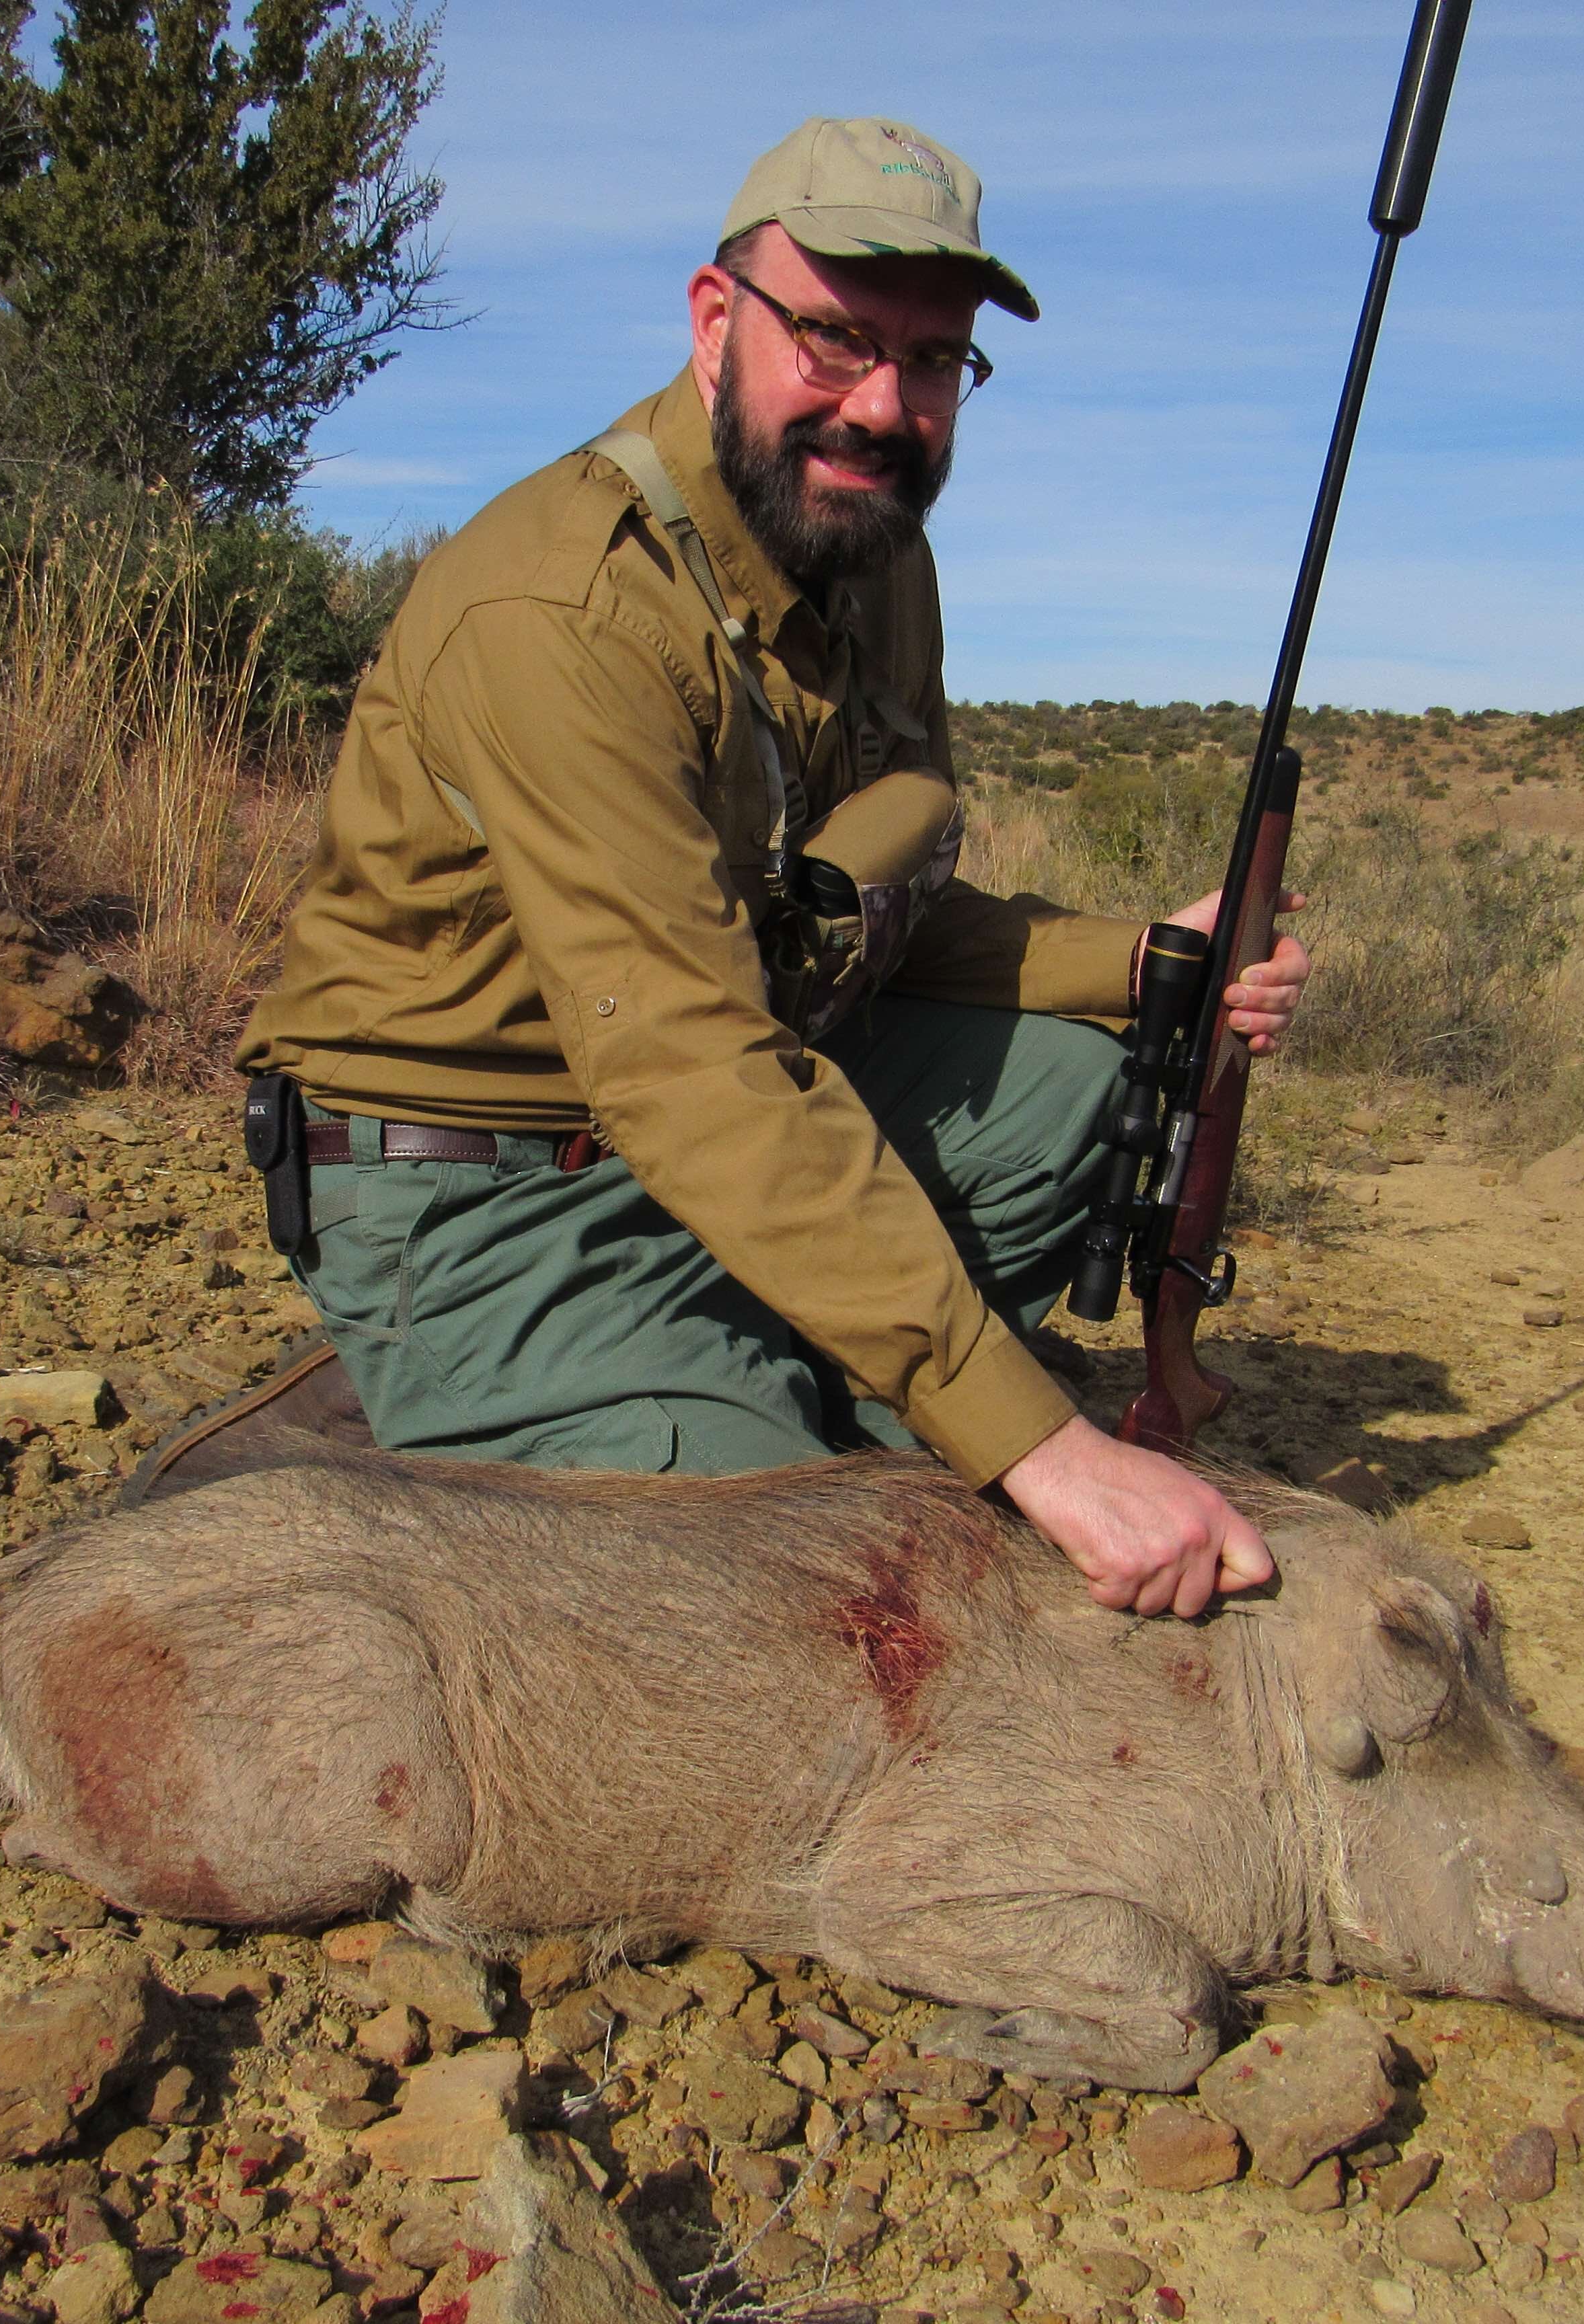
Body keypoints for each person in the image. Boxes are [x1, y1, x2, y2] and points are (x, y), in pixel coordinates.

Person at [235, 116, 1308, 1618]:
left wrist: (1158, 961)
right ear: (715, 320)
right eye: (836, 338)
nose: (883, 405)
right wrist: (1047, 1446)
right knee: (781, 1584)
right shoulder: (563, 612)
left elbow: (868, 909)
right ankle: (621, 1390)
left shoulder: (873, 553)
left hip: (698, 1112)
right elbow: (688, 1065)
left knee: (1079, 1085)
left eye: (932, 363)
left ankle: (796, 1365)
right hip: (486, 1189)